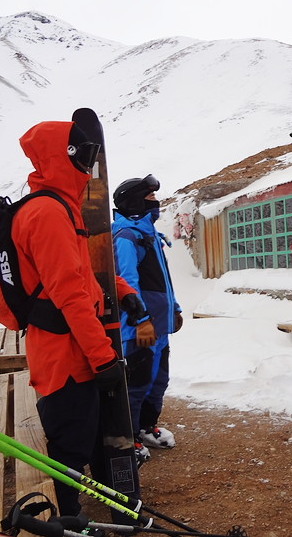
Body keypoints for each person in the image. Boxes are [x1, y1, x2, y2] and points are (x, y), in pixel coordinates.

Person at [13, 120, 137, 515]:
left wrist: (123, 293)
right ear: (60, 158)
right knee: (68, 450)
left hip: (71, 350)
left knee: (84, 440)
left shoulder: (61, 207)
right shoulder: (48, 213)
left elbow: (84, 275)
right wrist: (103, 357)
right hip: (65, 358)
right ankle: (66, 520)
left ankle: (84, 511)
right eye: (82, 155)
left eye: (91, 155)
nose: (88, 165)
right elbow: (69, 294)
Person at [112, 174, 183, 462]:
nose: (157, 202)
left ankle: (145, 427)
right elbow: (126, 281)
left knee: (158, 381)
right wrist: (140, 320)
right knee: (137, 384)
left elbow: (163, 280)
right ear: (134, 202)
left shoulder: (149, 235)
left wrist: (174, 308)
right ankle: (127, 438)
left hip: (159, 327)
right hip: (140, 328)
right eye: (151, 198)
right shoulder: (127, 237)